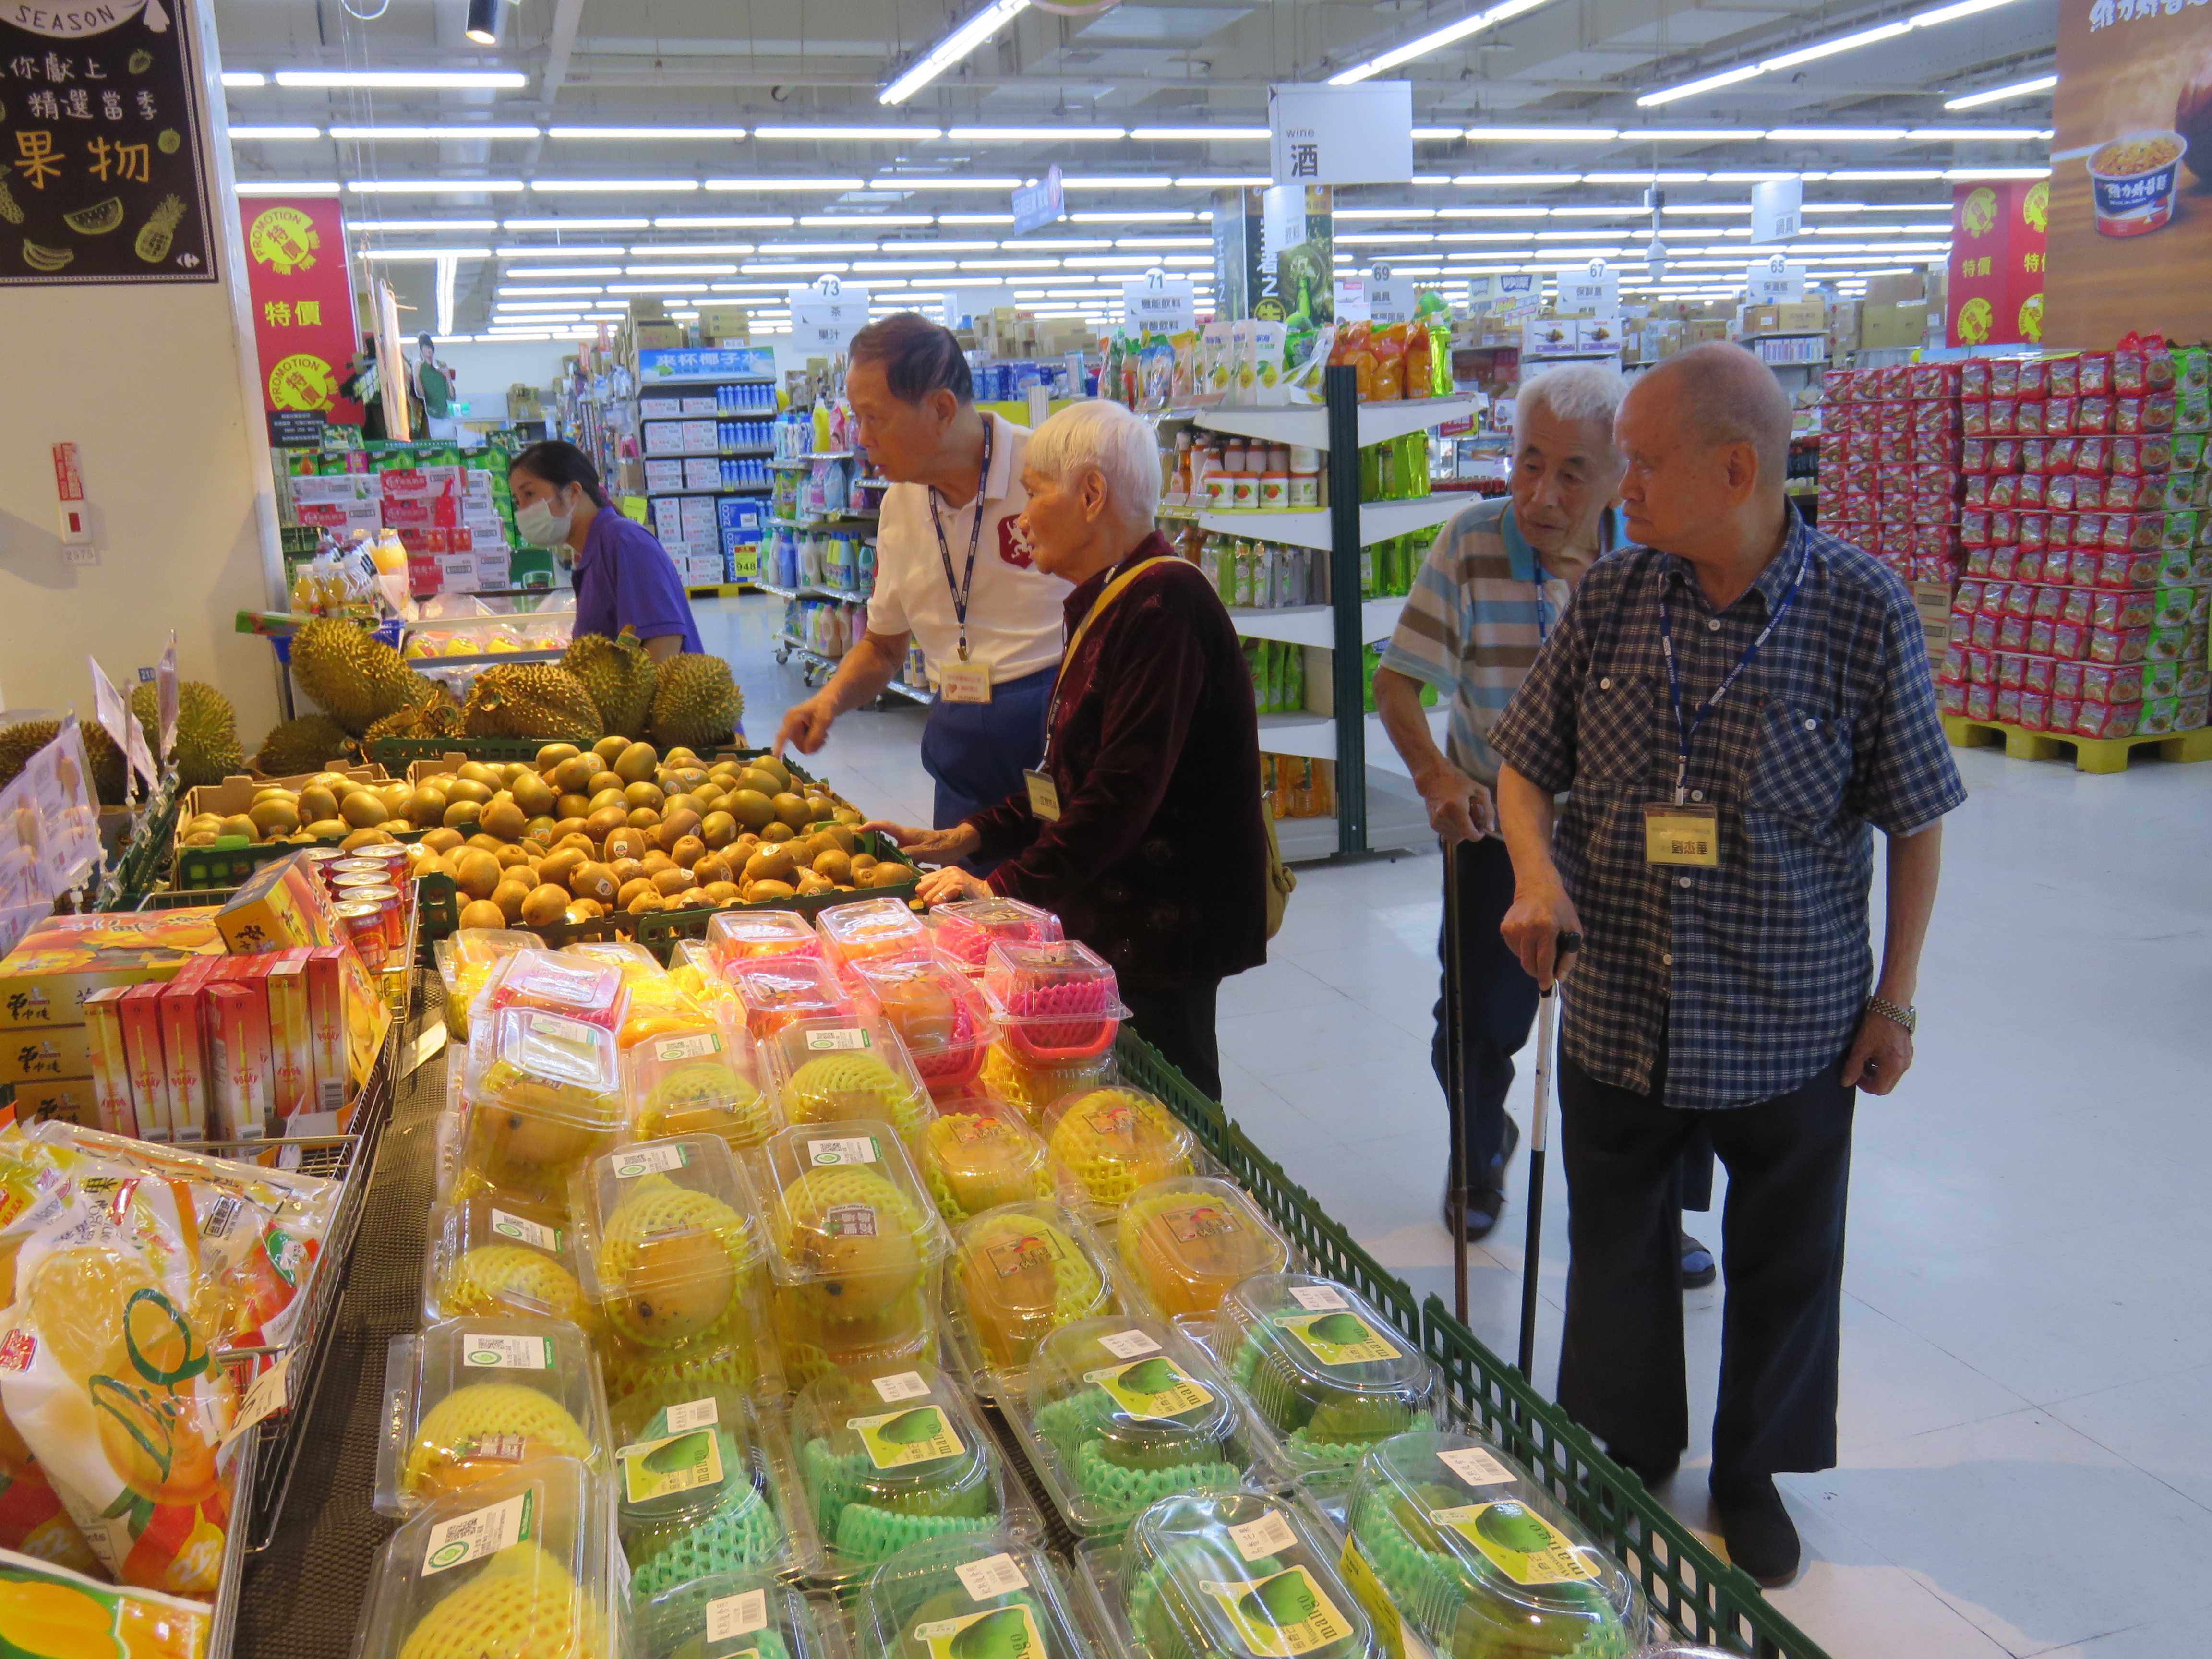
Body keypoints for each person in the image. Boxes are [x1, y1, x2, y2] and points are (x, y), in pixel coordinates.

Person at [1488, 342, 1965, 1584]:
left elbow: (1917, 817)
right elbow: (1527, 760)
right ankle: (1635, 1445)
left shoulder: (1862, 609)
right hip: (1622, 1006)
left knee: (1786, 1259)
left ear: (1737, 468)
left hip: (1790, 1016)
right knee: (1618, 1244)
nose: (1621, 489)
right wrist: (1537, 874)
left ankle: (1753, 1470)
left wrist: (1895, 1000)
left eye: (1642, 465)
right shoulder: (1614, 596)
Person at [1374, 365, 1717, 1286]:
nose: (1540, 495)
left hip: (1629, 834)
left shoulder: (1658, 557)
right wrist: (1436, 774)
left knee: (1659, 1020)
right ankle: (1479, 1145)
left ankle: (1656, 1213)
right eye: (1527, 464)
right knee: (1480, 1017)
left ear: (1620, 477)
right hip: (1495, 820)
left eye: (1572, 473)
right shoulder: (1472, 544)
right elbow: (1397, 680)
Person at [864, 400, 1266, 1098]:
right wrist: (964, 836)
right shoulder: (1110, 600)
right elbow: (1068, 778)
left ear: (1090, 496)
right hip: (1116, 919)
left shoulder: (1163, 606)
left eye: (1034, 491)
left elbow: (1117, 799)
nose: (1019, 518)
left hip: (1160, 932)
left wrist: (998, 891)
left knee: (1172, 1096)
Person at [775, 313, 1068, 840]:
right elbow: (886, 647)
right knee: (970, 915)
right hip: (960, 753)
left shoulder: (1047, 473)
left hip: (1055, 742)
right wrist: (829, 700)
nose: (861, 438)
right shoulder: (900, 506)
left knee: (1055, 913)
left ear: (940, 409)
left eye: (874, 418)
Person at [507, 440, 702, 661]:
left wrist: (630, 697)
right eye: (517, 501)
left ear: (573, 492)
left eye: (530, 494)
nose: (522, 510)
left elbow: (664, 640)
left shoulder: (625, 543)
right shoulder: (593, 551)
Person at [415, 333, 457, 440]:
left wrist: (447, 376)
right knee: (436, 445)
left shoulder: (441, 366)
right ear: (421, 350)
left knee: (450, 443)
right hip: (431, 415)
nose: (429, 351)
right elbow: (421, 394)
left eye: (431, 348)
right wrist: (416, 375)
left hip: (446, 413)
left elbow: (452, 396)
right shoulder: (420, 367)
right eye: (426, 348)